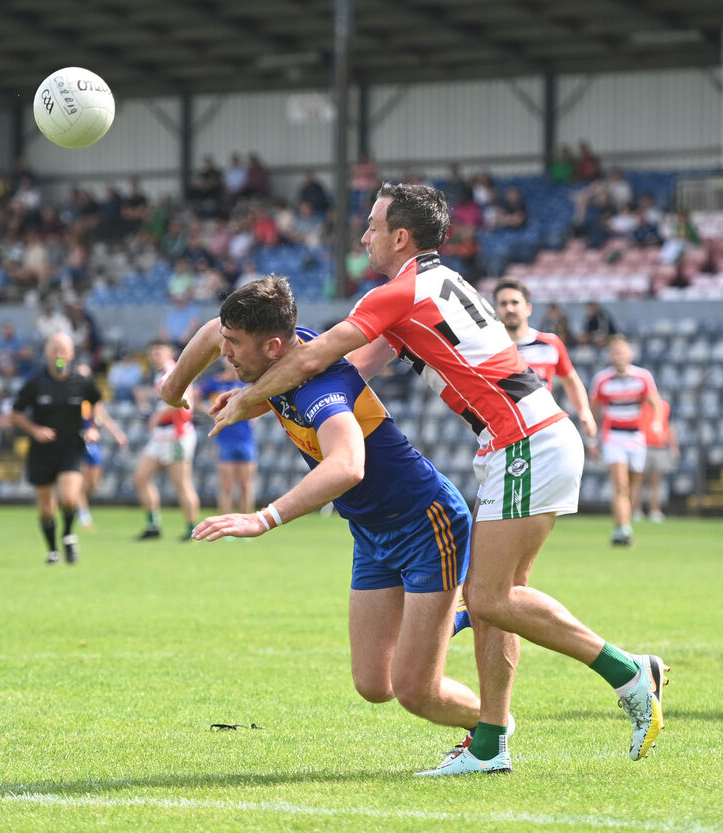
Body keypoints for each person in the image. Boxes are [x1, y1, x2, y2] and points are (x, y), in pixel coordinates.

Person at [195, 183, 667, 775]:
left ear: (401, 236)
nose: (363, 235)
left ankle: (629, 674)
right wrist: (272, 392)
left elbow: (316, 360)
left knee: (492, 596)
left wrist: (246, 400)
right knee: (497, 598)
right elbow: (349, 370)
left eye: (372, 225)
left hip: (524, 437)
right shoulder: (434, 285)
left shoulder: (400, 291)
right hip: (518, 438)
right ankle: (490, 746)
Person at [159, 277, 484, 750]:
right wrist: (175, 385)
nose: (225, 354)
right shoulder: (282, 357)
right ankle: (449, 612)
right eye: (228, 343)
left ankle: (491, 722)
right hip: (372, 531)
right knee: (375, 685)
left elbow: (348, 466)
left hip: (426, 523)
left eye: (235, 346)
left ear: (273, 347)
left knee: (415, 688)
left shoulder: (322, 390)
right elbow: (214, 330)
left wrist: (264, 517)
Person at [9, 333, 101, 565]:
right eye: (54, 349)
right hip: (42, 451)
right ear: (46, 353)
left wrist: (92, 427)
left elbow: (96, 402)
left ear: (71, 354)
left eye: (63, 349)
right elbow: (15, 413)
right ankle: (52, 550)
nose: (59, 354)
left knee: (69, 497)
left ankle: (68, 535)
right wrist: (34, 429)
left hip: (70, 447)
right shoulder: (35, 382)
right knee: (46, 506)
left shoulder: (81, 382)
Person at [492, 279, 596, 438]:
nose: (509, 308)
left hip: (544, 429)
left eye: (515, 302)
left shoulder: (550, 344)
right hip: (505, 434)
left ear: (528, 308)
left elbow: (571, 380)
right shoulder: (489, 348)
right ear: (496, 311)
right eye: (503, 304)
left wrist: (584, 411)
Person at [590, 335, 664, 546]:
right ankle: (624, 529)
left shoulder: (642, 377)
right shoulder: (602, 380)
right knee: (620, 485)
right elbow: (593, 410)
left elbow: (656, 403)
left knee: (633, 485)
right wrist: (592, 440)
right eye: (614, 353)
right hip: (613, 437)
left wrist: (657, 423)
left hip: (636, 437)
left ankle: (622, 522)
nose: (618, 357)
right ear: (610, 356)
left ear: (629, 354)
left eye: (621, 352)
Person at [134, 340, 201, 541]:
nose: (154, 355)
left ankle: (192, 529)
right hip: (161, 435)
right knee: (141, 477)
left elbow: (184, 400)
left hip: (176, 434)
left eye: (158, 351)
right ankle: (153, 524)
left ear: (170, 352)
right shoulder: (160, 373)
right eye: (152, 352)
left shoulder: (174, 371)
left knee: (181, 484)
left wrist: (157, 415)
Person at [198, 360, 258, 517]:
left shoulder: (247, 383)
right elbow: (194, 395)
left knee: (246, 485)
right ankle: (226, 525)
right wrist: (209, 413)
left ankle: (245, 522)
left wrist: (257, 415)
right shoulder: (216, 383)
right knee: (227, 486)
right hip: (225, 439)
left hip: (245, 439)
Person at [75, 363, 128, 530]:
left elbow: (101, 416)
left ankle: (76, 504)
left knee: (93, 483)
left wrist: (116, 433)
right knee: (81, 480)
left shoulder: (91, 397)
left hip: (93, 441)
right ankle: (83, 516)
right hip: (77, 441)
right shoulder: (71, 395)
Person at [634, 395, 678, 522]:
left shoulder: (665, 406)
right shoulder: (640, 405)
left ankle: (655, 511)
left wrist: (674, 446)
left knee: (656, 482)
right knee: (638, 481)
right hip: (641, 446)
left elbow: (669, 427)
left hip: (659, 446)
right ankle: (637, 511)